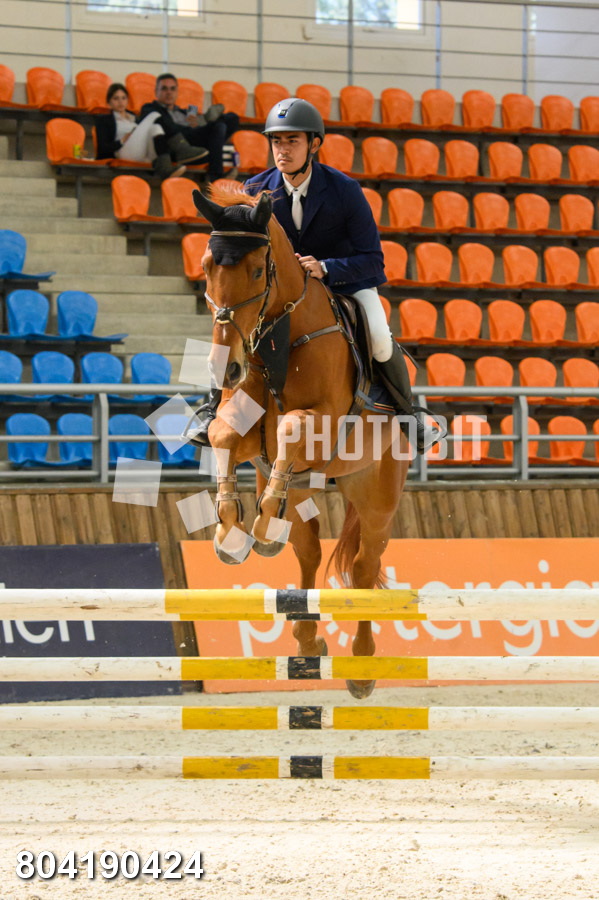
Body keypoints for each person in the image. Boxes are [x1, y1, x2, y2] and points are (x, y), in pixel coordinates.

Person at [192, 97, 438, 454]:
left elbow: (373, 260)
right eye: (277, 141)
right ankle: (211, 408)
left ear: (314, 144)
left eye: (292, 141)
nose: (283, 150)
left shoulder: (344, 190)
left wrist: (326, 267)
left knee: (380, 337)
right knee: (228, 327)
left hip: (342, 286)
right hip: (281, 295)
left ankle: (409, 416)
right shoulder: (255, 189)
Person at [138, 73, 240, 183]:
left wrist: (204, 120)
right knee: (217, 127)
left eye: (172, 89)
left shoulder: (185, 112)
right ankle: (216, 177)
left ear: (177, 92)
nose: (169, 92)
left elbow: (196, 127)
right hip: (174, 145)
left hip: (194, 143)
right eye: (164, 89)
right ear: (156, 92)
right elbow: (154, 126)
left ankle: (209, 119)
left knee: (231, 118)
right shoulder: (149, 108)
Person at [95, 83, 208, 181]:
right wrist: (122, 140)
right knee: (154, 114)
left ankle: (165, 168)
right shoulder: (104, 120)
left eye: (123, 98)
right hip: (123, 152)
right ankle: (181, 148)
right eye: (116, 98)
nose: (120, 102)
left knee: (156, 127)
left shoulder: (134, 118)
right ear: (109, 102)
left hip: (142, 152)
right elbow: (103, 148)